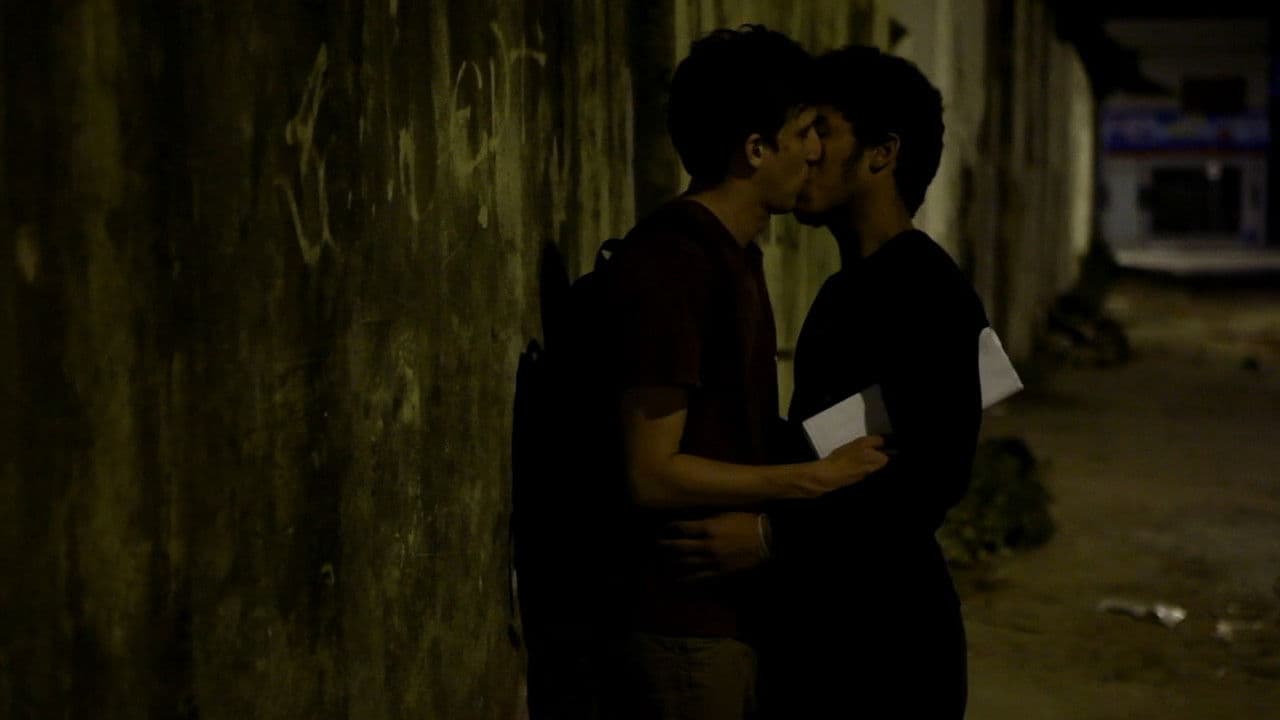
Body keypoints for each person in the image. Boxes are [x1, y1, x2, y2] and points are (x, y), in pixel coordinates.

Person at [661, 45, 986, 718]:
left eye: (824, 132)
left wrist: (770, 539)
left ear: (881, 153)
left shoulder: (931, 294)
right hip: (831, 634)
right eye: (802, 132)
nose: (806, 152)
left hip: (886, 652)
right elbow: (836, 449)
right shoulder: (849, 290)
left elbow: (930, 479)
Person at [602, 27, 891, 720]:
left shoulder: (735, 255)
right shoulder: (675, 264)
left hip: (727, 618)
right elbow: (651, 472)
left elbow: (731, 430)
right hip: (683, 625)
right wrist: (808, 480)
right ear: (756, 149)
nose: (817, 152)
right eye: (805, 132)